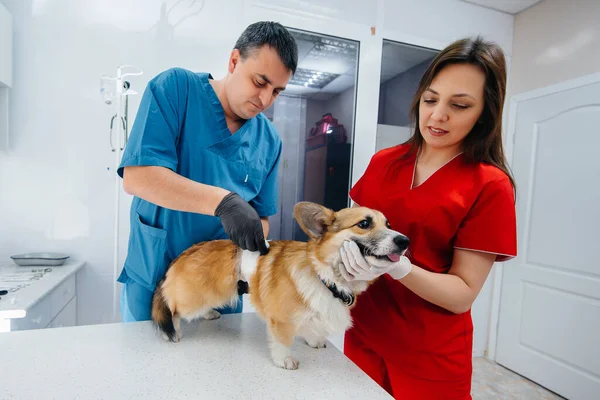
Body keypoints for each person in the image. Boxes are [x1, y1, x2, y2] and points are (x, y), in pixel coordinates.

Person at [338, 36, 517, 399]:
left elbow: (462, 294)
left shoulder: (489, 185)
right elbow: (347, 234)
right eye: (431, 99)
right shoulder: (385, 162)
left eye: (460, 105)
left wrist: (397, 267)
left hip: (429, 354)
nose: (437, 115)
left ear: (485, 112)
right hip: (363, 333)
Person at [116, 21, 298, 322]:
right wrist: (224, 203)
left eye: (277, 91)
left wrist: (252, 230)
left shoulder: (269, 140)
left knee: (216, 368)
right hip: (155, 279)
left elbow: (262, 218)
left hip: (220, 289)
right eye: (260, 82)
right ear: (234, 60)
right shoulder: (176, 90)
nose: (265, 100)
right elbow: (139, 177)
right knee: (144, 365)